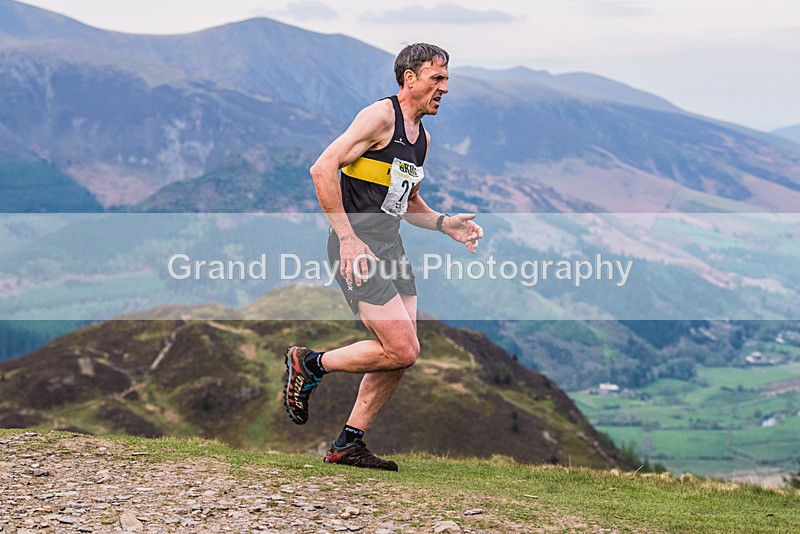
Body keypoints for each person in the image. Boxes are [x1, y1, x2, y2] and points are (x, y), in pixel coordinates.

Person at [284, 43, 483, 471]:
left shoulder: (420, 138)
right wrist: (348, 237)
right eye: (438, 78)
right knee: (403, 349)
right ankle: (309, 362)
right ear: (410, 78)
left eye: (447, 79)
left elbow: (407, 204)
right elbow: (323, 168)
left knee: (399, 351)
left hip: (390, 246)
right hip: (357, 246)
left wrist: (445, 223)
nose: (445, 88)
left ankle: (348, 443)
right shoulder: (380, 117)